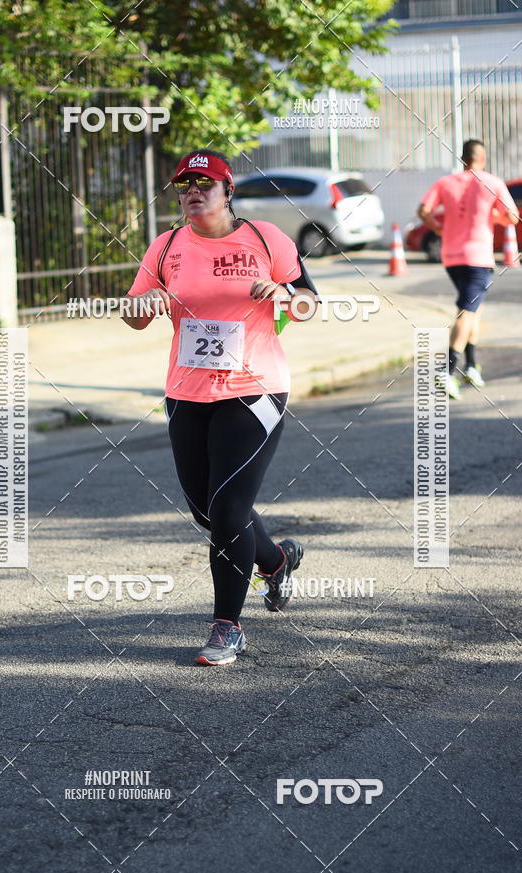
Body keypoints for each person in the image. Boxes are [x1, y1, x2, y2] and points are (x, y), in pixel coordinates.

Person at [123, 149, 317, 666]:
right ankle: (276, 561)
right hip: (187, 392)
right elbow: (135, 312)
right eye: (185, 184)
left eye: (205, 183)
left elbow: (308, 302)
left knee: (229, 508)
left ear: (228, 192)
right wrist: (138, 308)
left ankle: (227, 626)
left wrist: (283, 292)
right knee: (207, 510)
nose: (193, 191)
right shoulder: (165, 247)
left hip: (254, 388)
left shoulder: (264, 238)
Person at [417, 139, 518, 399]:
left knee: (474, 309)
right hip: (478, 258)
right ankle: (447, 371)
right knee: (467, 310)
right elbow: (513, 216)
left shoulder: (445, 183)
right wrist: (492, 217)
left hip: (451, 257)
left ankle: (471, 366)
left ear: (463, 159)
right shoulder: (492, 182)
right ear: (482, 159)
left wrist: (438, 228)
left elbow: (423, 210)